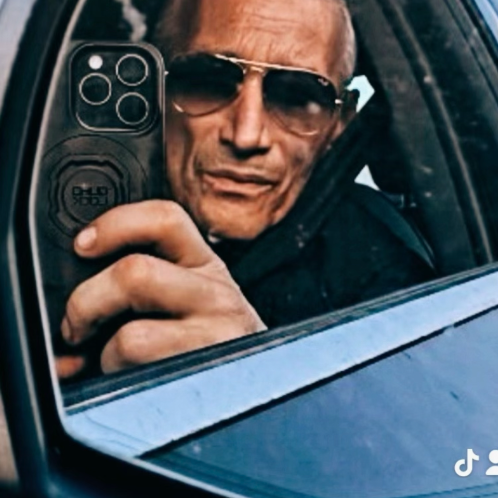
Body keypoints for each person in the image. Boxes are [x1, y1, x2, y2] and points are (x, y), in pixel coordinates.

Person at [56, 0, 435, 379]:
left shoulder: (387, 293)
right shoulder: (65, 207)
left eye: (297, 96)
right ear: (153, 88)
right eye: (209, 82)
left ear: (339, 122)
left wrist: (256, 367)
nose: (246, 135)